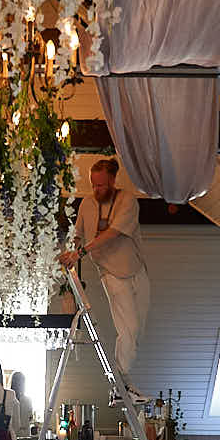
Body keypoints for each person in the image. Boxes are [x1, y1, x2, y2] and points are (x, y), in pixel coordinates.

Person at [58, 157, 149, 398]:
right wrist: (71, 253)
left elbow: (113, 232)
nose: (96, 189)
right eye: (93, 185)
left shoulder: (127, 200)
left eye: (101, 185)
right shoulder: (87, 204)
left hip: (136, 270)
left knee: (137, 331)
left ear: (112, 181)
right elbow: (78, 234)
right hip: (111, 273)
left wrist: (80, 252)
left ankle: (122, 380)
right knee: (128, 328)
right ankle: (121, 381)